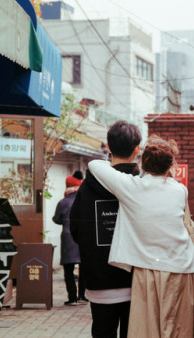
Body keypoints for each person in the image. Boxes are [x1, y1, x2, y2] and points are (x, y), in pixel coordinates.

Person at [88, 135, 194, 338]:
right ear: (171, 165)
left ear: (143, 162)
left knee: (149, 330)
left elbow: (94, 164)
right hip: (183, 269)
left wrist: (132, 155)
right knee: (180, 329)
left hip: (148, 271)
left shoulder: (131, 187)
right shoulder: (180, 190)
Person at [70, 121, 141, 338]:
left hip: (99, 280)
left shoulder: (87, 187)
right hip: (135, 281)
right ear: (137, 149)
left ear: (108, 147)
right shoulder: (141, 185)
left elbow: (75, 229)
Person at [52, 171, 87, 306]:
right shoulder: (84, 201)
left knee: (68, 269)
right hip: (83, 237)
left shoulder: (63, 202)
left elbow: (56, 219)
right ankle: (82, 296)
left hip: (68, 238)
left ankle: (72, 298)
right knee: (83, 268)